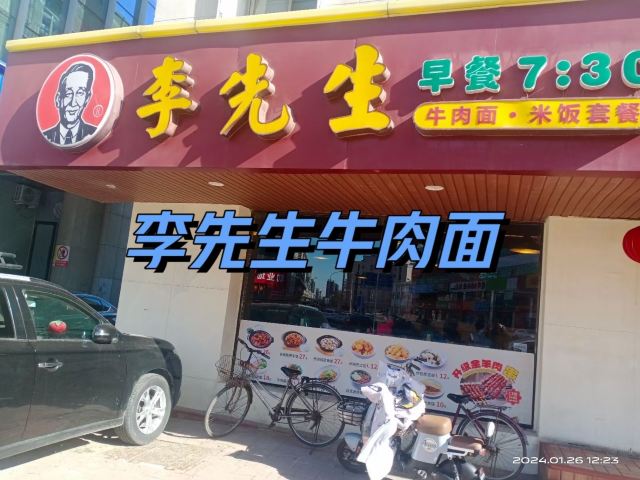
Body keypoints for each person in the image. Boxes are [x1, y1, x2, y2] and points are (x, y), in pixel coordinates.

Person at [43, 62, 97, 145]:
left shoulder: (92, 132)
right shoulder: (47, 136)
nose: (73, 103)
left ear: (87, 99)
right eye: (68, 94)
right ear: (58, 99)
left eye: (80, 93)